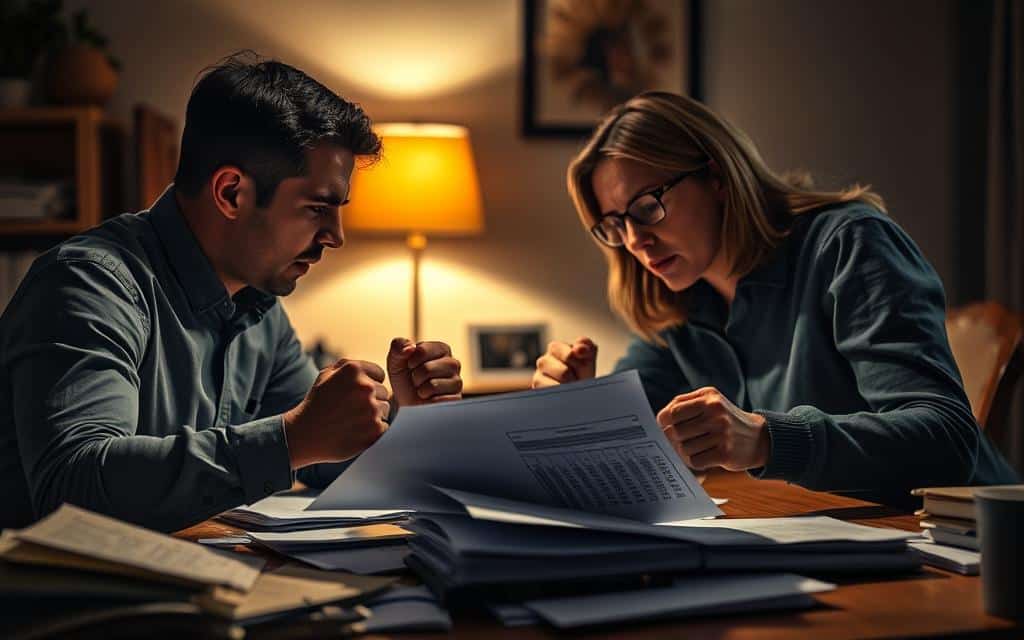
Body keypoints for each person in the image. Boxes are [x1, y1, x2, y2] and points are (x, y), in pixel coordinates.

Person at [0, 53, 463, 532]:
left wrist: (407, 421)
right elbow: (70, 487)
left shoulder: (260, 309)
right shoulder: (88, 283)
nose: (335, 236)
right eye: (316, 208)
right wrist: (290, 440)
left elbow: (324, 455)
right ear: (231, 194)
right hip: (63, 600)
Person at [533, 91, 1018, 507]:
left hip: (967, 547)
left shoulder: (849, 244)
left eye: (647, 206)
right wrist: (576, 407)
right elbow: (635, 441)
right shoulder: (682, 307)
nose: (637, 239)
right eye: (617, 224)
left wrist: (766, 439)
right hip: (843, 542)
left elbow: (947, 441)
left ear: (717, 176)